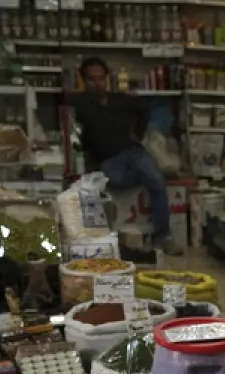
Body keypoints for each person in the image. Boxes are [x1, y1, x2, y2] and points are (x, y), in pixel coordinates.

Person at [71, 57, 174, 251]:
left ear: (107, 78)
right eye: (92, 79)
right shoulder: (79, 105)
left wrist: (138, 133)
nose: (98, 83)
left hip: (133, 151)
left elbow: (145, 109)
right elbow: (73, 133)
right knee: (116, 180)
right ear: (84, 80)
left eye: (101, 78)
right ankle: (145, 177)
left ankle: (164, 235)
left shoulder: (121, 99)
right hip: (109, 160)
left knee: (157, 180)